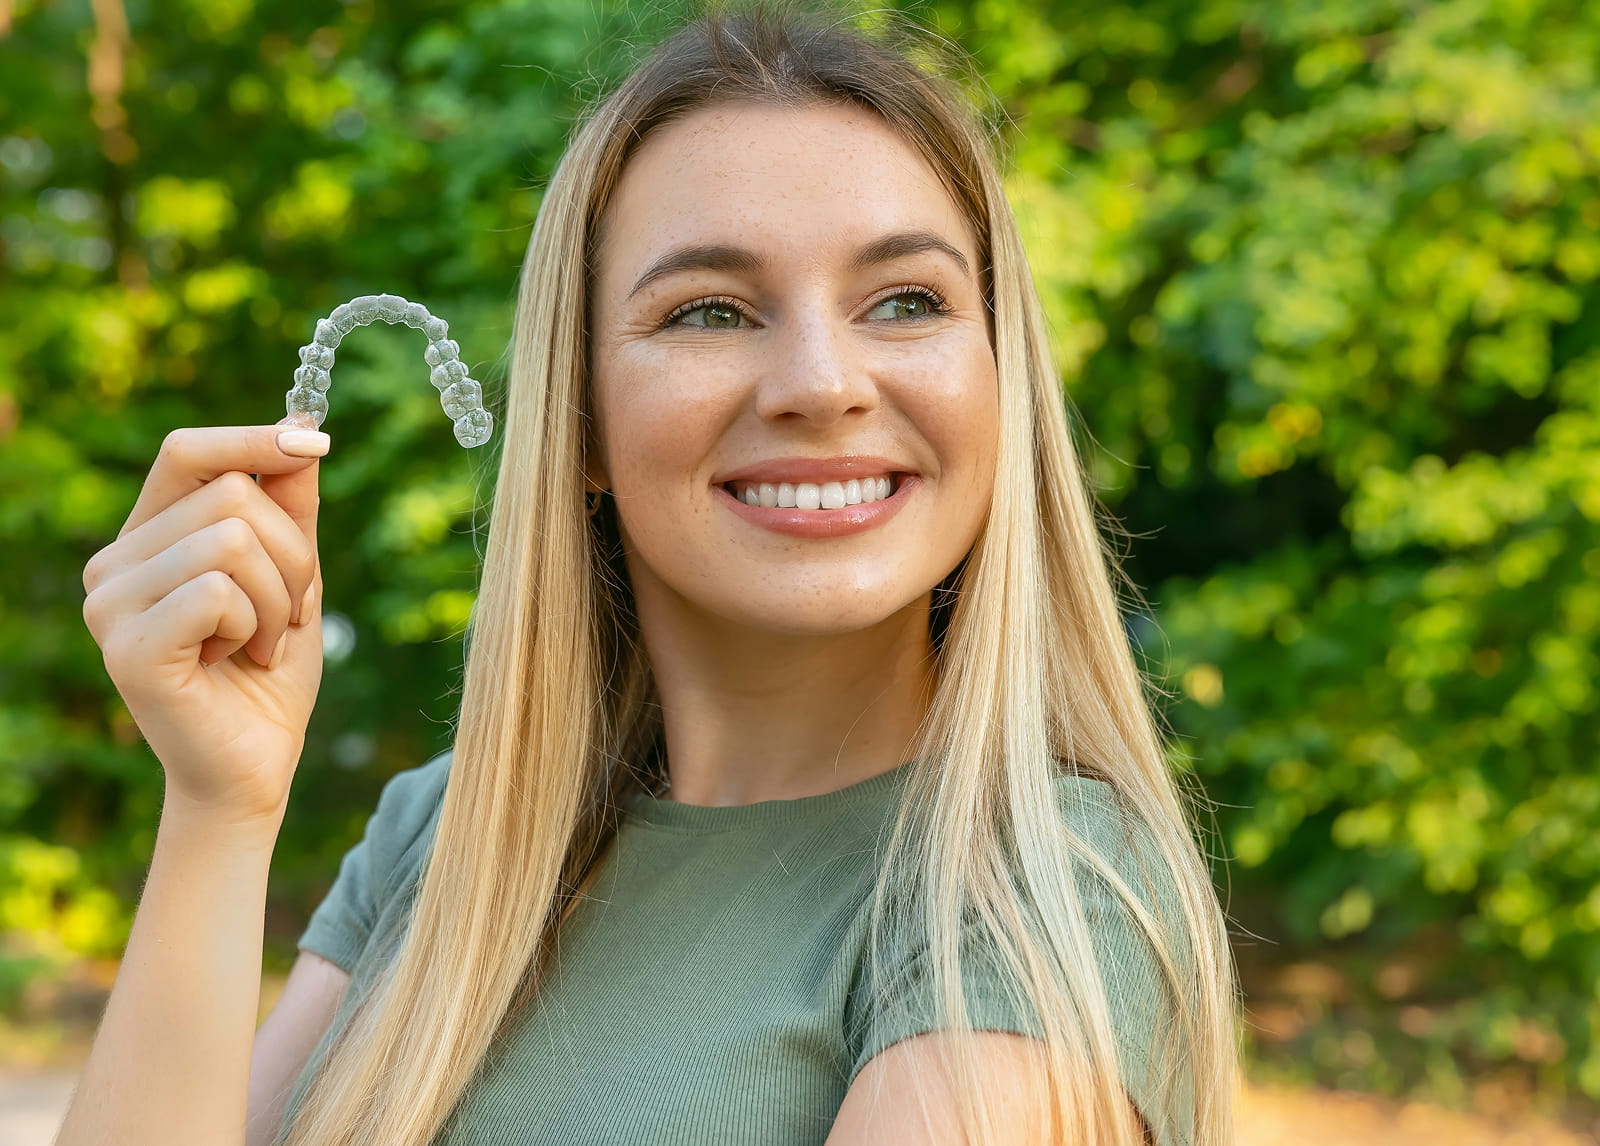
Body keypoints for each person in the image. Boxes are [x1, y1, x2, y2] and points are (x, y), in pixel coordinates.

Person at [62, 4, 1239, 1145]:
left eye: (907, 301)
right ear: (577, 424)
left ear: (997, 378)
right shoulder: (441, 832)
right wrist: (219, 807)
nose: (821, 383)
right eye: (711, 312)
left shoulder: (1039, 891)